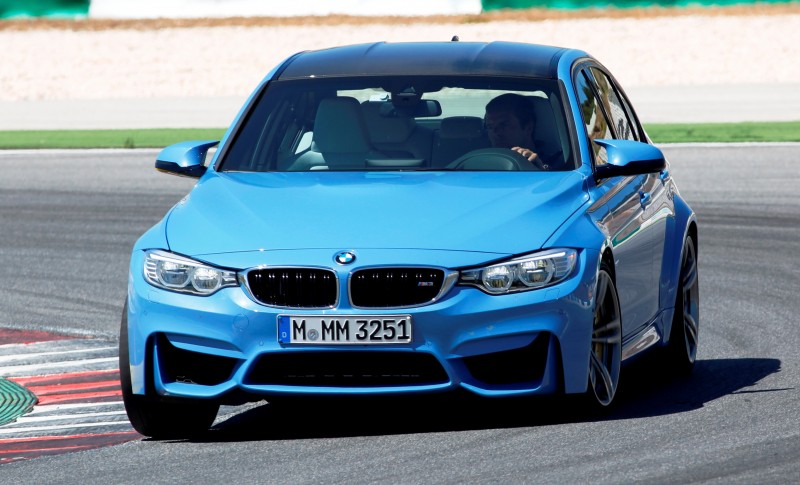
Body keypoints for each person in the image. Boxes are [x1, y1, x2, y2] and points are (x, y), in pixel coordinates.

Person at [484, 93, 553, 170]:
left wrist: (540, 168)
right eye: (490, 127)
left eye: (504, 125)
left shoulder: (562, 163)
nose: (495, 133)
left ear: (528, 127)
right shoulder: (480, 162)